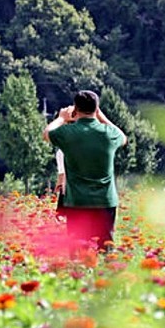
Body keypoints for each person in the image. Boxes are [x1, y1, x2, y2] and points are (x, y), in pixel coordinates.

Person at [43, 90, 126, 250]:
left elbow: (47, 133)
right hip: (105, 201)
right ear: (96, 108)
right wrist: (100, 116)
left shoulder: (67, 133)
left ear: (75, 109)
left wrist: (61, 118)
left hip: (77, 202)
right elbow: (123, 137)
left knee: (78, 252)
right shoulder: (109, 134)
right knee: (105, 250)